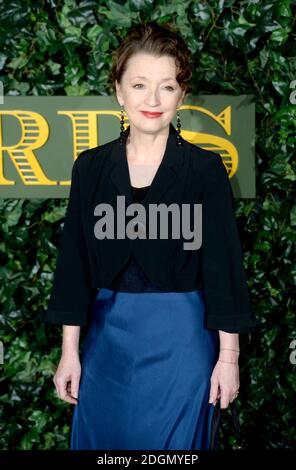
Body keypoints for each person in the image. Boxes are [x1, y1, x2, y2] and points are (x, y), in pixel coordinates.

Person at [39, 21, 258, 450]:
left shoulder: (204, 170)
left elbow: (222, 270)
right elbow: (74, 265)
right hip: (106, 346)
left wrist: (227, 359)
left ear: (182, 95)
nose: (153, 101)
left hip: (183, 343)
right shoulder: (91, 168)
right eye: (139, 85)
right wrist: (70, 350)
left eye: (167, 86)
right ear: (119, 91)